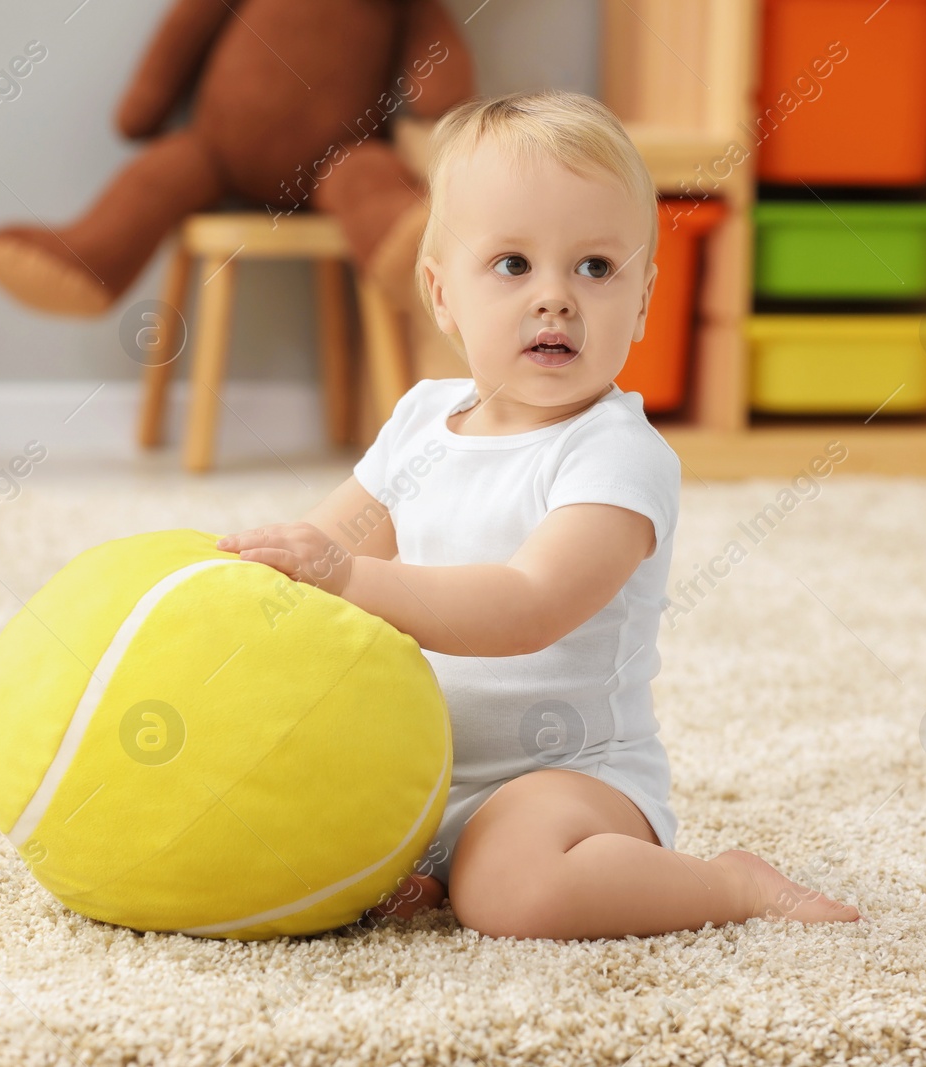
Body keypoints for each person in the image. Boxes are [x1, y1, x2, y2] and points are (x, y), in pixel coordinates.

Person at [215, 89, 860, 939]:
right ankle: (424, 866)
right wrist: (254, 575)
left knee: (514, 892)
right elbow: (328, 552)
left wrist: (348, 575)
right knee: (263, 834)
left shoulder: (616, 455)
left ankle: (727, 884)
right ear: (443, 297)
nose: (556, 298)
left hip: (567, 778)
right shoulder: (420, 419)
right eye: (514, 265)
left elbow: (528, 606)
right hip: (414, 768)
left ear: (641, 299)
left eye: (596, 268)